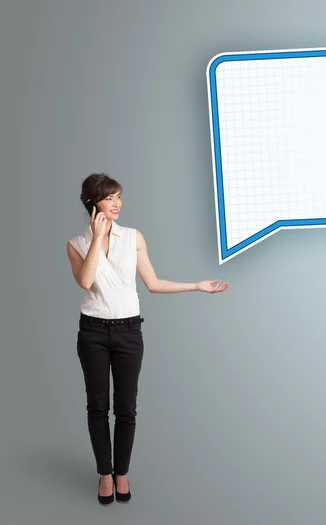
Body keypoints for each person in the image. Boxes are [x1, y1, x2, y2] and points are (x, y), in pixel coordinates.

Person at [66, 173, 228, 506]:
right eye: (109, 198)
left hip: (128, 332)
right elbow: (85, 282)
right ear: (92, 202)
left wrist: (196, 286)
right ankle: (105, 474)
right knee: (98, 407)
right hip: (93, 333)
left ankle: (121, 472)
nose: (117, 204)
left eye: (119, 197)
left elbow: (152, 283)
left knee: (126, 409)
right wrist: (97, 239)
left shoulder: (133, 237)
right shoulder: (76, 244)